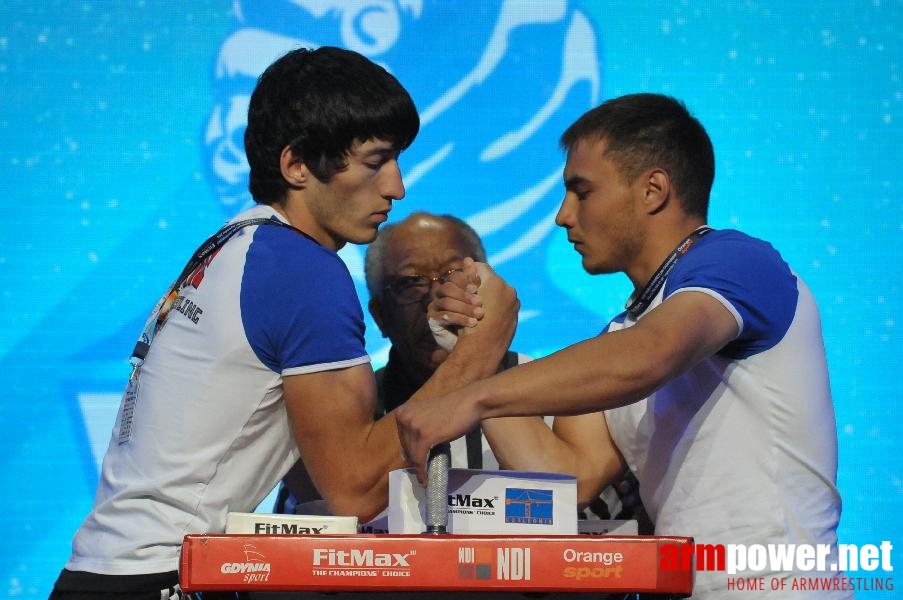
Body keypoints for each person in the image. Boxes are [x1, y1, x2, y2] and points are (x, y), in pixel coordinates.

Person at [51, 47, 518, 599]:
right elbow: (353, 490)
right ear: (297, 165)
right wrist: (480, 351)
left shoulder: (241, 244)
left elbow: (309, 476)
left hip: (111, 572)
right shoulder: (303, 271)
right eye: (375, 161)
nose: (397, 186)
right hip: (160, 576)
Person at [396, 93, 849, 598]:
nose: (562, 216)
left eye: (581, 191)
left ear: (653, 189)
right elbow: (568, 478)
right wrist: (481, 353)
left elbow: (655, 352)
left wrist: (471, 398)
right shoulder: (622, 333)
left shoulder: (740, 263)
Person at [276, 211, 644, 525]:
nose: (437, 296)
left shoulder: (554, 396)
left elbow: (591, 518)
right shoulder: (346, 421)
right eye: (412, 282)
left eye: (454, 275)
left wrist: (476, 358)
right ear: (380, 316)